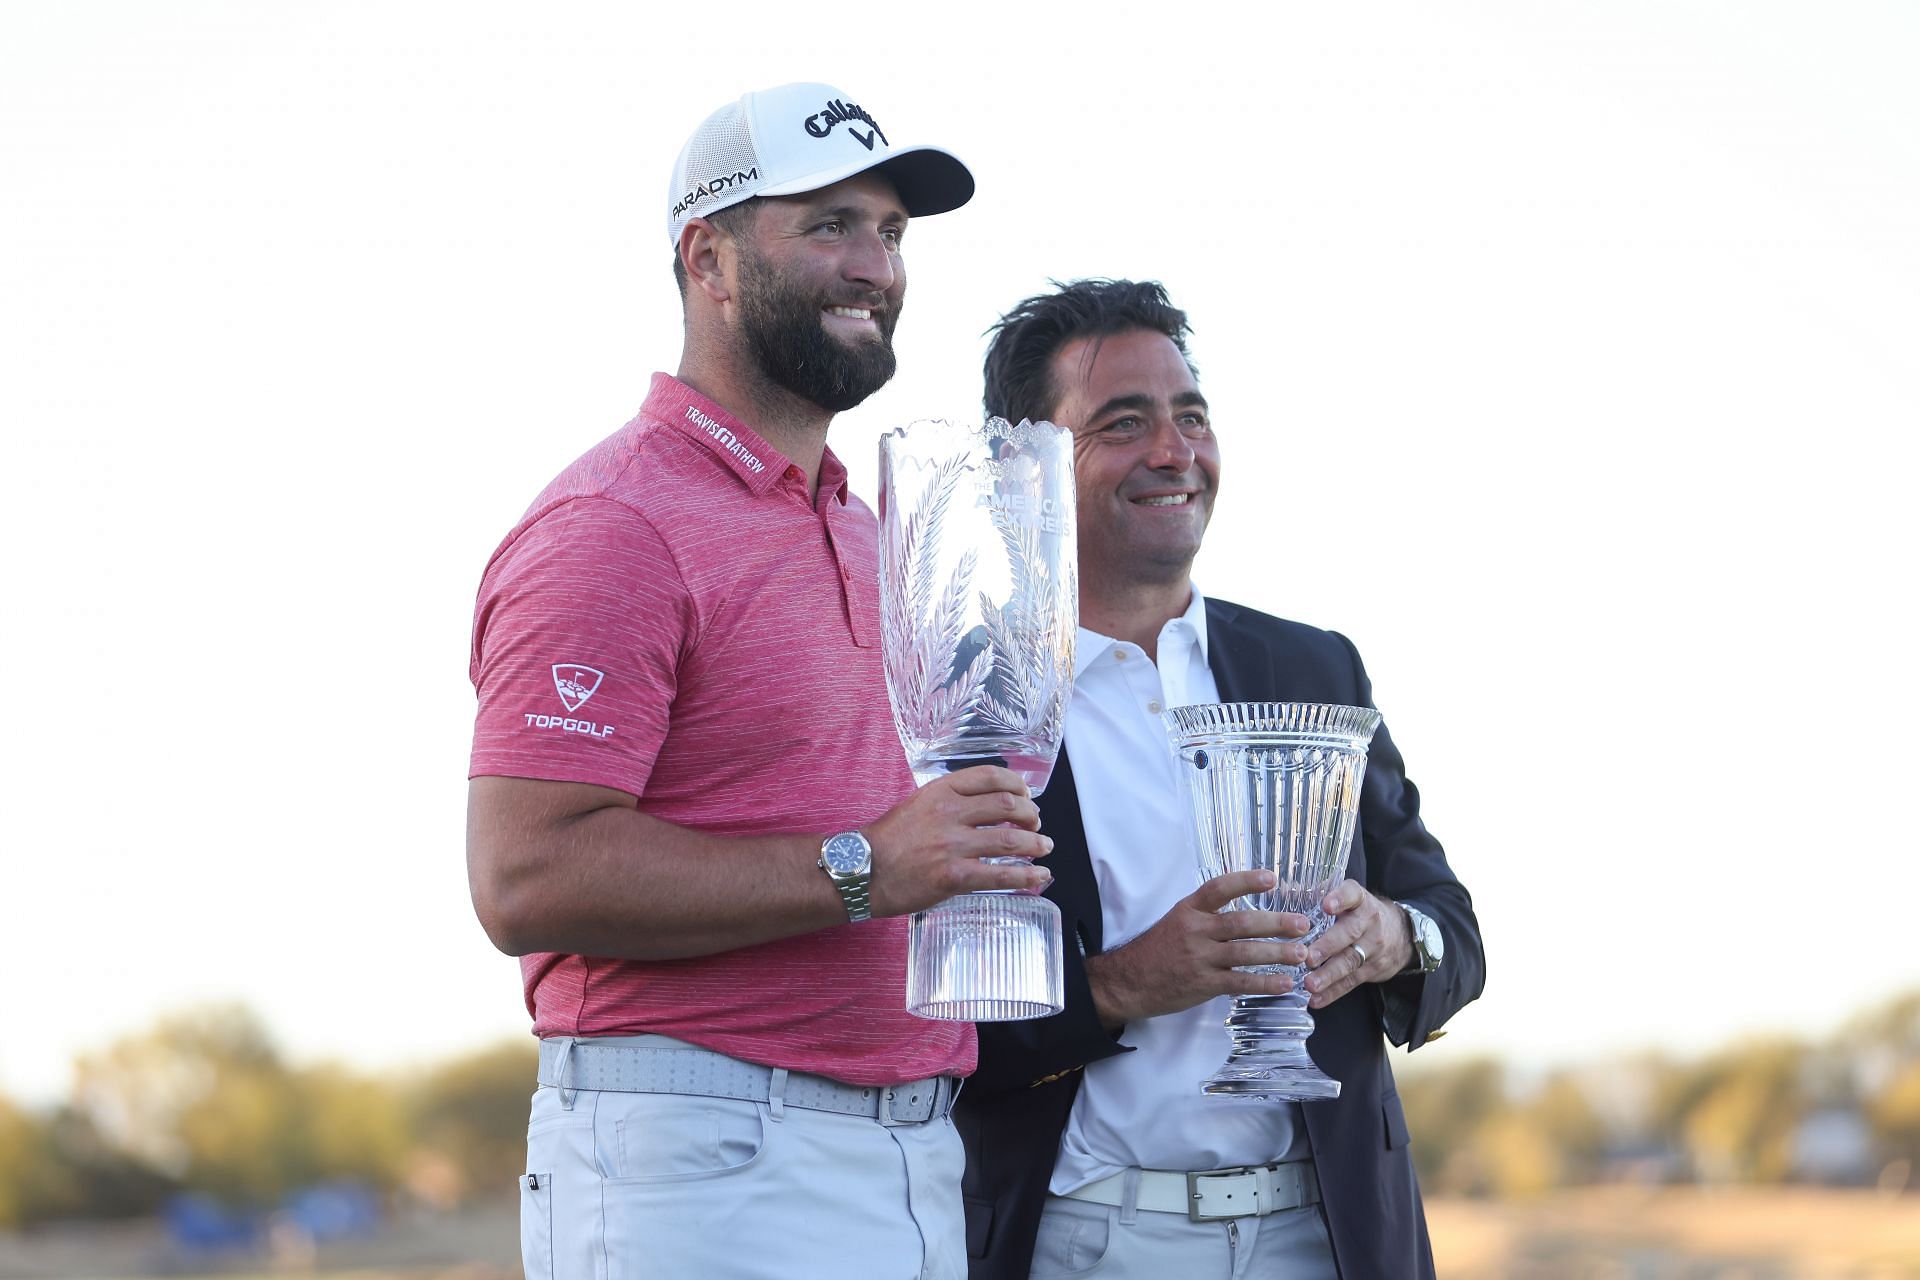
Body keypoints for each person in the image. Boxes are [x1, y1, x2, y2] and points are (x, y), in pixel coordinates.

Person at [465, 83, 1053, 1280]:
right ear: (709, 258)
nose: (874, 265)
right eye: (830, 223)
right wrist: (866, 866)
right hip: (702, 1154)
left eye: (890, 233)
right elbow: (524, 872)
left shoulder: (868, 526)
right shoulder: (613, 520)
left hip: (907, 1155)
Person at [954, 279, 1485, 1278]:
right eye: (1124, 422)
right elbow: (925, 1024)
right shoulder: (962, 704)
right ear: (1020, 473)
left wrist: (1391, 935)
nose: (1174, 450)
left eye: (1190, 415)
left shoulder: (1315, 666)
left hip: (1327, 1237)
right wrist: (1118, 984)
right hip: (1081, 1238)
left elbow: (1452, 924)